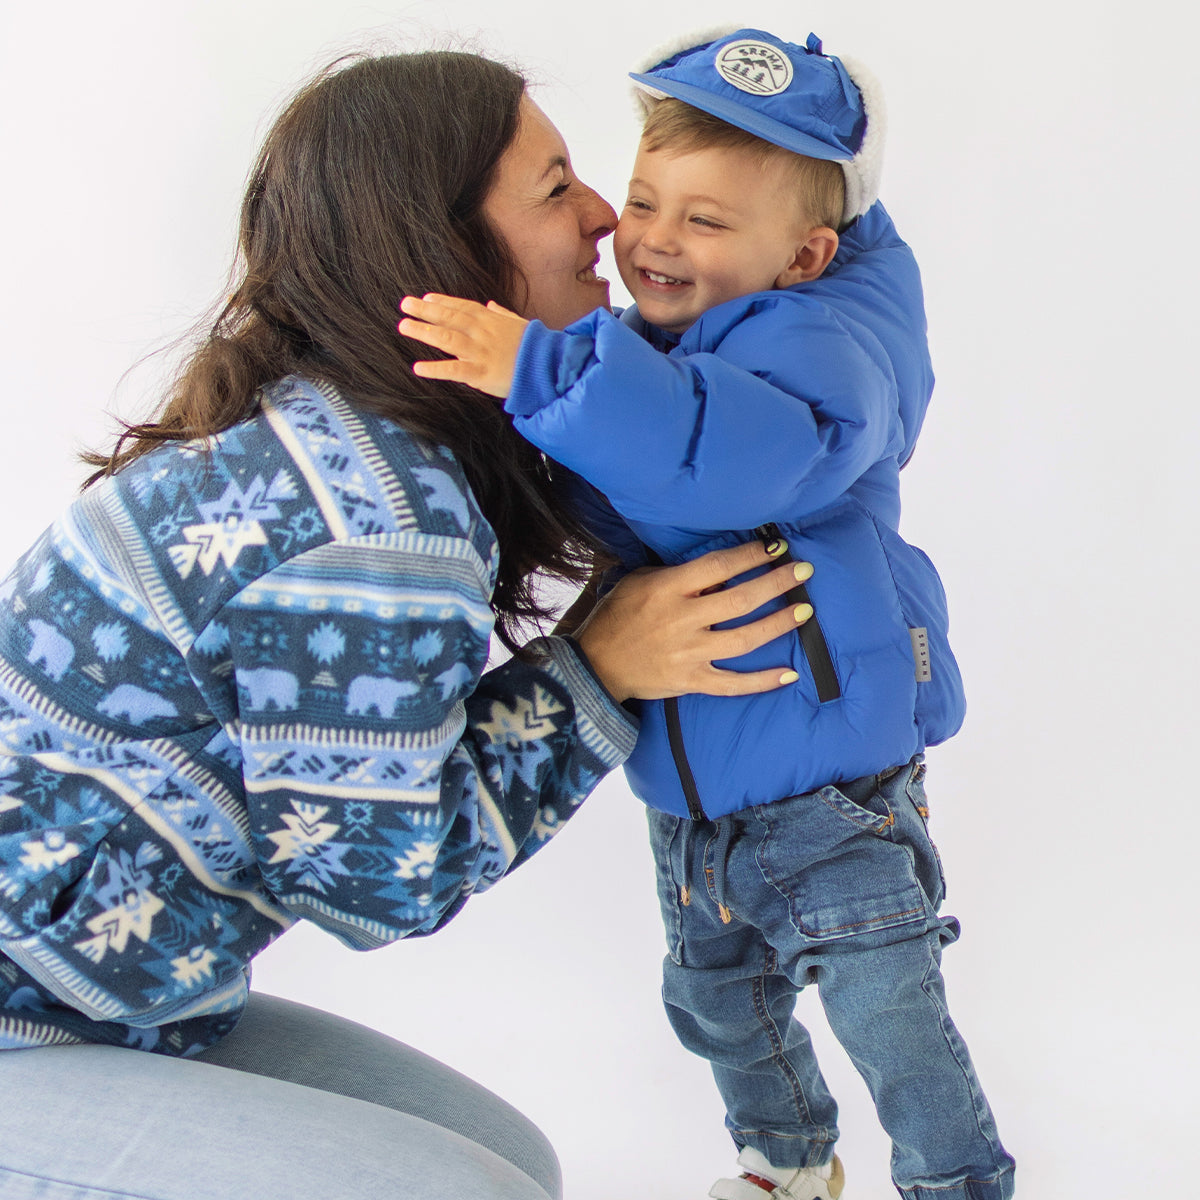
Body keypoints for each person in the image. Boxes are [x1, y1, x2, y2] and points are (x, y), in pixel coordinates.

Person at [0, 49, 813, 1200]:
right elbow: (375, 880)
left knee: (514, 1162)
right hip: (27, 1025)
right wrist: (598, 671)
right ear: (439, 252)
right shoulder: (378, 522)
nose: (600, 216)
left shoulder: (346, 430)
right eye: (552, 189)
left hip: (107, 997)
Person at [397, 29, 1014, 1200]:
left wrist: (537, 374)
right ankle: (787, 1168)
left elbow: (724, 460)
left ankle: (960, 1180)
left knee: (890, 1014)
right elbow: (617, 479)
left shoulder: (821, 349)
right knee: (719, 1003)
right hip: (699, 789)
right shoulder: (654, 346)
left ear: (806, 254)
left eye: (707, 222)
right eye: (642, 202)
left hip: (831, 784)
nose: (650, 241)